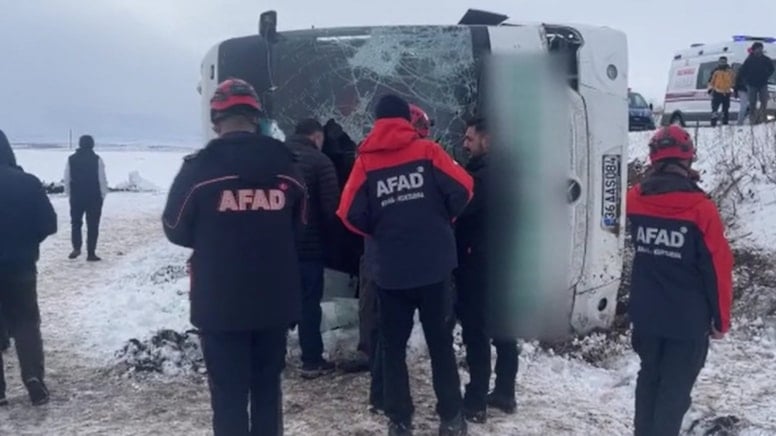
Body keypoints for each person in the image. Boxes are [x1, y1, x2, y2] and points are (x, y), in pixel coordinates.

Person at [162, 78, 306, 436]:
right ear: (256, 116)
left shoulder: (199, 169)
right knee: (267, 393)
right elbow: (301, 225)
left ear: (216, 119)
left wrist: (216, 235)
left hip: (220, 305)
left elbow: (174, 226)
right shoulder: (287, 165)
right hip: (275, 302)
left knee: (228, 400)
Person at [337, 95, 473, 436]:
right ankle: (452, 419)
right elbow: (465, 188)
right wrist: (443, 218)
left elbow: (348, 212)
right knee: (440, 344)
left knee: (392, 348)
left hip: (390, 272)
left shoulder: (366, 162)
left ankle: (399, 421)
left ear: (377, 122)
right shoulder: (428, 152)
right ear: (406, 120)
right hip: (434, 268)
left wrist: (380, 230)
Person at [627, 125, 733, 436]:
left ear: (653, 159)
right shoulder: (701, 210)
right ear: (688, 161)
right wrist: (721, 321)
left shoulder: (634, 200)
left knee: (649, 379)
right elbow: (718, 268)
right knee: (674, 391)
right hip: (686, 322)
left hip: (646, 316)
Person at [454, 117, 519, 424]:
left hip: (479, 263)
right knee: (503, 328)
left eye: (470, 138)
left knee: (476, 331)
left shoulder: (485, 176)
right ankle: (505, 391)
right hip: (501, 260)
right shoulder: (506, 170)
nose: (465, 143)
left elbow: (463, 210)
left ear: (488, 140)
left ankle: (476, 399)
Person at [0, 129, 57, 406]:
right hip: (22, 266)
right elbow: (49, 224)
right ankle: (33, 377)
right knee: (26, 323)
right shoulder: (29, 182)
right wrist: (28, 240)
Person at [285, 118, 340, 379]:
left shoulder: (278, 158)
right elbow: (332, 209)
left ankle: (274, 359)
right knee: (309, 304)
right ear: (316, 137)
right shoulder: (321, 162)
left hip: (278, 248)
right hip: (309, 247)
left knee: (278, 302)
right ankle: (311, 360)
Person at [64, 134, 108, 261]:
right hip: (94, 197)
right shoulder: (97, 159)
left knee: (76, 223)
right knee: (93, 225)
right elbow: (102, 179)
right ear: (92, 145)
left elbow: (67, 178)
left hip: (76, 196)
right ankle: (91, 253)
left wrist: (69, 194)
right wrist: (103, 195)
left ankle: (76, 247)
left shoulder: (71, 159)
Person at [738, 42, 775, 125]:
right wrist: (746, 81)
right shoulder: (749, 60)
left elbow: (772, 68)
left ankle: (763, 118)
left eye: (761, 48)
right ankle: (753, 119)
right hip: (751, 85)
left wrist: (766, 75)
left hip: (763, 83)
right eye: (758, 48)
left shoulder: (765, 59)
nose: (759, 50)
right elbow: (742, 71)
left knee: (764, 101)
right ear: (754, 50)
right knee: (752, 102)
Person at [707, 56, 735, 126]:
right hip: (717, 92)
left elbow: (733, 81)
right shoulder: (715, 71)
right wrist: (710, 90)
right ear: (719, 62)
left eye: (724, 61)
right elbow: (710, 81)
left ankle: (725, 123)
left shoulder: (730, 71)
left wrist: (733, 89)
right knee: (714, 109)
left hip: (727, 93)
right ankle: (713, 123)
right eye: (721, 61)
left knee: (725, 109)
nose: (722, 63)